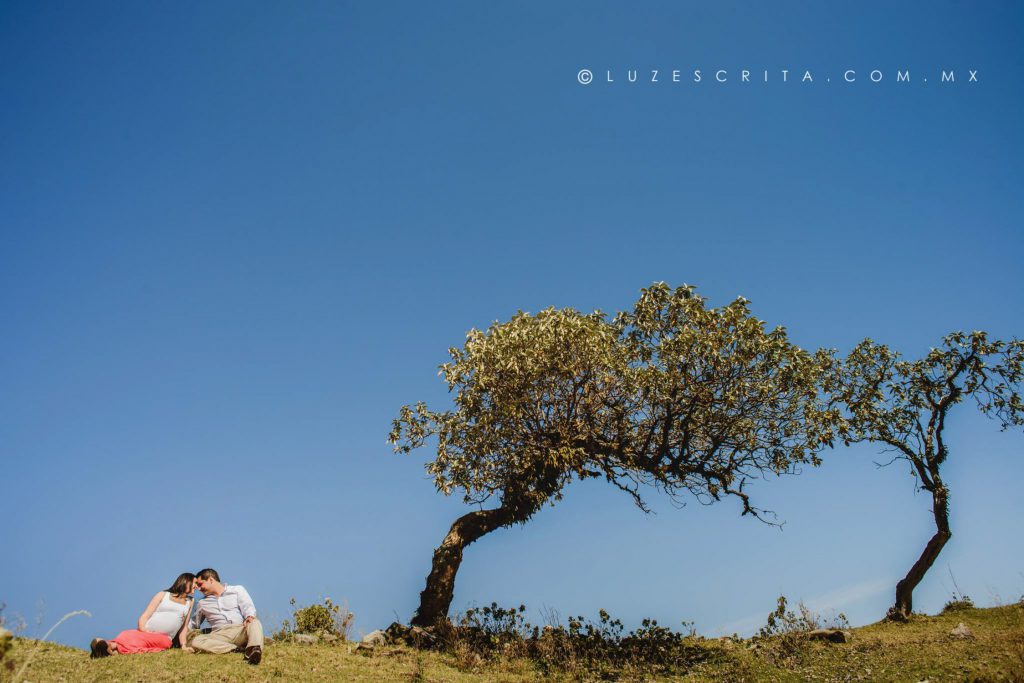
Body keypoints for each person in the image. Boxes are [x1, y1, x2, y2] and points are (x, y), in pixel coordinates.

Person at [90, 572, 195, 658]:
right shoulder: (163, 595)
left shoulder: (190, 602)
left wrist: (183, 646)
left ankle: (109, 648)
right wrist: (143, 629)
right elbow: (145, 616)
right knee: (125, 635)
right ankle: (104, 645)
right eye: (195, 583)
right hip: (145, 632)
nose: (197, 586)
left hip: (163, 638)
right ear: (186, 581)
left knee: (134, 642)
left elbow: (183, 627)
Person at [187, 568, 263, 665]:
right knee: (197, 641)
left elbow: (248, 607)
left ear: (211, 580)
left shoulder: (237, 590)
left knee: (254, 621)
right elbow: (193, 624)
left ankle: (254, 650)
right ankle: (235, 649)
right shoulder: (202, 603)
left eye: (200, 584)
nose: (199, 588)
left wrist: (249, 616)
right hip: (219, 634)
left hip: (239, 630)